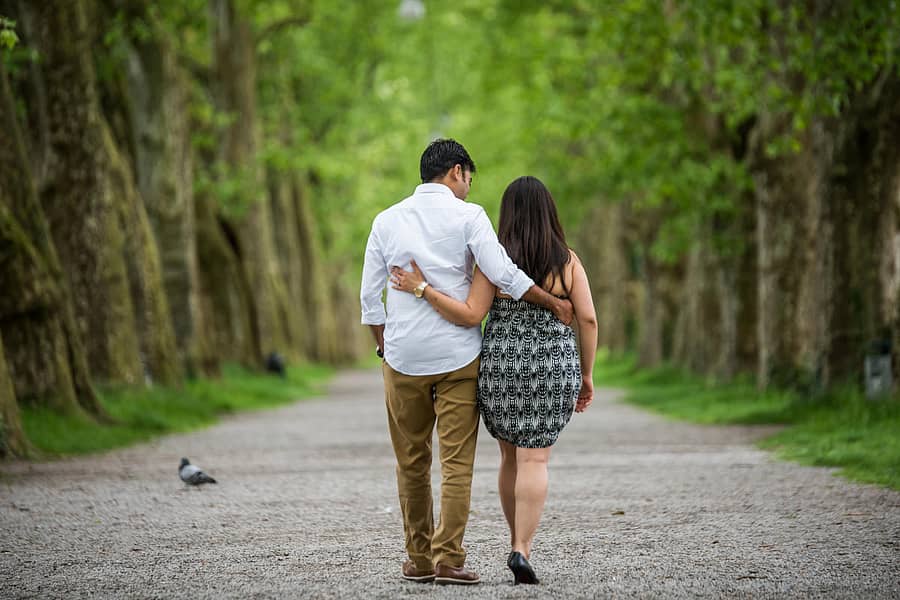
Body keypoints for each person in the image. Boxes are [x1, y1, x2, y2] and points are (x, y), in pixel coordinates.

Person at [360, 140, 574, 586]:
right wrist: (551, 301)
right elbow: (504, 274)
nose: (469, 189)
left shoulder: (386, 221)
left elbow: (369, 299)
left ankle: (419, 560)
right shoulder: (470, 217)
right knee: (456, 464)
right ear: (457, 172)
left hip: (403, 359)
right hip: (459, 356)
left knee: (411, 462)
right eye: (469, 180)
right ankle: (449, 561)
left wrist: (386, 346)